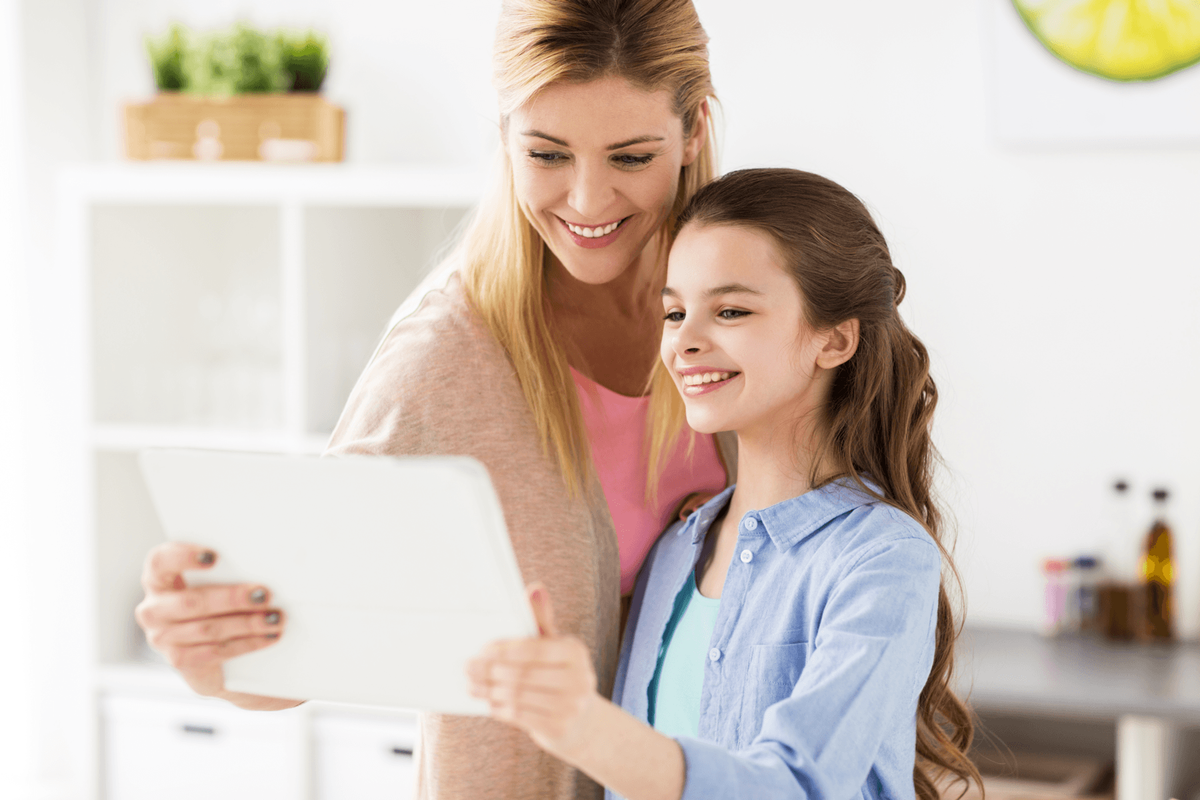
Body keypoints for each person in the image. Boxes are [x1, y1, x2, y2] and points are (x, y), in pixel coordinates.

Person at [134, 2, 731, 799]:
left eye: (629, 156)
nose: (588, 201)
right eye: (547, 154)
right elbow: (316, 629)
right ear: (503, 134)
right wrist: (215, 655)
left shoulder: (753, 311)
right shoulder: (450, 354)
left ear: (692, 128)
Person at [466, 168, 983, 800]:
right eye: (675, 312)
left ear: (835, 338)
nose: (685, 340)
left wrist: (582, 725)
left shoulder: (882, 559)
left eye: (730, 310)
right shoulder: (675, 552)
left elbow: (797, 786)